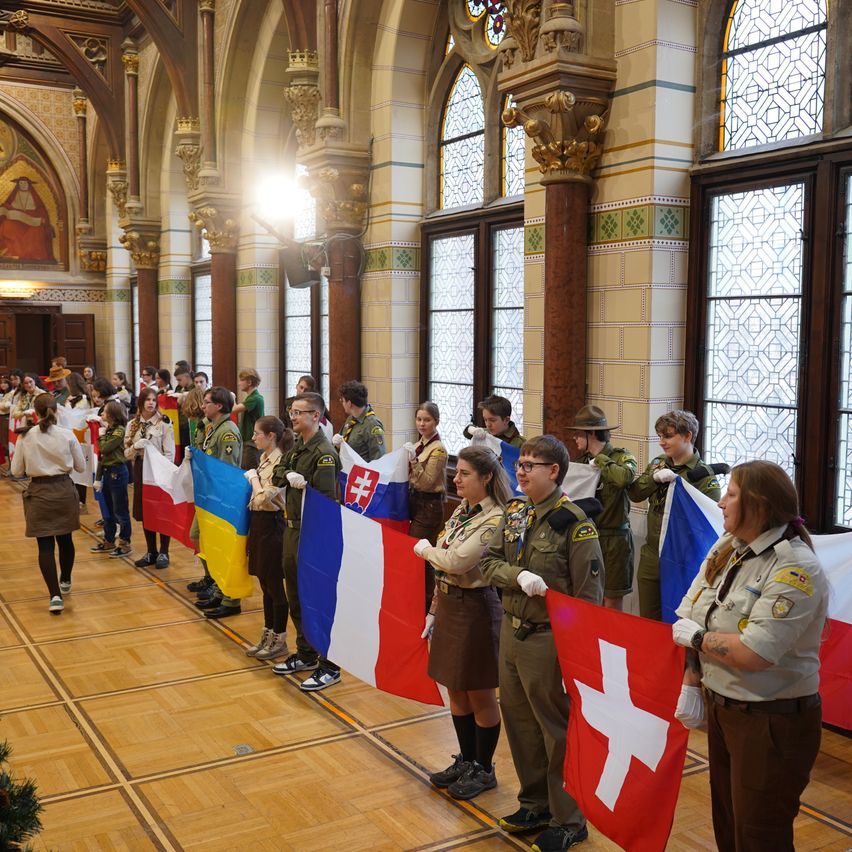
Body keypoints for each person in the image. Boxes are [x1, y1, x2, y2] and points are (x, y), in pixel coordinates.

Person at [671, 460, 827, 852]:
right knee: (729, 824)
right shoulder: (730, 546)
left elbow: (756, 652)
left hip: (771, 721)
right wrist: (692, 681)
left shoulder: (794, 568)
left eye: (732, 494)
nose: (721, 502)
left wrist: (700, 641)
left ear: (758, 504)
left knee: (760, 835)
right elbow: (691, 611)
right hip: (725, 708)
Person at [480, 435, 604, 852]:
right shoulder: (516, 512)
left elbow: (588, 599)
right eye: (520, 464)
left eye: (530, 465)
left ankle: (569, 818)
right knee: (518, 722)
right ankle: (534, 803)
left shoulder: (576, 524)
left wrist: (576, 652)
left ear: (554, 472)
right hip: (512, 635)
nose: (520, 470)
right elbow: (488, 561)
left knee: (557, 731)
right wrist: (515, 577)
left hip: (550, 640)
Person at [415, 446, 510, 800]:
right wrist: (434, 610)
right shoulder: (462, 513)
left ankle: (484, 768)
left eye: (465, 473)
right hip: (451, 605)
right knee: (454, 686)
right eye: (458, 472)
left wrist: (425, 550)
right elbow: (445, 565)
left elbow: (455, 560)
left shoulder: (495, 518)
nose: (456, 478)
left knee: (479, 691)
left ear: (486, 477)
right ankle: (466, 758)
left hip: (476, 609)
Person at [271, 391, 342, 690]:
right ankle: (306, 652)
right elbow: (276, 474)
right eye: (292, 411)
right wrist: (289, 474)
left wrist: (303, 484)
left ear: (316, 416)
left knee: (317, 598)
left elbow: (325, 504)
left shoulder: (323, 453)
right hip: (292, 528)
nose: (293, 416)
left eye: (299, 412)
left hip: (312, 532)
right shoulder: (299, 446)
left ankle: (330, 664)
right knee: (296, 595)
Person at [628, 409, 721, 620]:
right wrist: (653, 479)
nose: (662, 442)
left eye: (668, 436)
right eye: (660, 436)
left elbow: (708, 526)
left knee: (678, 621)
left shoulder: (704, 477)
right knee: (648, 621)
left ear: (687, 436)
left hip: (682, 558)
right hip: (652, 555)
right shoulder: (658, 463)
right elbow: (634, 494)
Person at [10, 393, 85, 613]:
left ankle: (55, 596)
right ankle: (66, 579)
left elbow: (16, 471)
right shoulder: (67, 434)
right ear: (56, 410)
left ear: (35, 411)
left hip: (39, 493)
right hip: (63, 490)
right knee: (65, 539)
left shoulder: (26, 437)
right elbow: (80, 467)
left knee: (45, 546)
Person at [568, 404, 637, 610]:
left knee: (611, 600)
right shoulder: (580, 461)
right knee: (586, 595)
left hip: (615, 540)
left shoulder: (621, 457)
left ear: (591, 434)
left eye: (579, 434)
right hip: (587, 536)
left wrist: (600, 460)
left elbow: (624, 478)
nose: (575, 438)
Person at [188, 386, 244, 618]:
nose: (203, 405)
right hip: (207, 495)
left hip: (221, 498)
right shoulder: (211, 427)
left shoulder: (228, 432)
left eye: (207, 402)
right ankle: (217, 585)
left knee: (222, 546)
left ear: (219, 406)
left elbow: (226, 470)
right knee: (200, 537)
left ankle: (229, 597)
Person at [243, 415, 294, 661]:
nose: (253, 438)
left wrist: (253, 479)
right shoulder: (264, 458)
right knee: (263, 584)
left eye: (257, 434)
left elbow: (264, 498)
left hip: (273, 525)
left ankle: (280, 639)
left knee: (274, 586)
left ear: (271, 436)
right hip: (259, 524)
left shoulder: (281, 462)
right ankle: (267, 632)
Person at [403, 401, 448, 610]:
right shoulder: (420, 443)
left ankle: (427, 604)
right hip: (416, 501)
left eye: (427, 420)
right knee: (415, 555)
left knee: (422, 554)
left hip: (429, 506)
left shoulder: (438, 449)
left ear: (436, 422)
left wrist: (413, 461)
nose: (422, 424)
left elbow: (427, 481)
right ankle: (416, 599)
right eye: (419, 419)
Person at [124, 387, 176, 568]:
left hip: (159, 470)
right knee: (146, 511)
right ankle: (151, 551)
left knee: (161, 511)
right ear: (141, 402)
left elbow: (170, 453)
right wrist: (136, 447)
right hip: (140, 469)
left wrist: (165, 472)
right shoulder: (132, 425)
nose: (151, 403)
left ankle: (164, 552)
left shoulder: (164, 424)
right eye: (147, 399)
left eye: (154, 400)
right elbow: (126, 454)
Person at [90, 400, 132, 557]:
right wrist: (99, 477)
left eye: (105, 411)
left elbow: (105, 448)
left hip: (117, 472)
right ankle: (109, 540)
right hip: (107, 472)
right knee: (108, 510)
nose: (102, 414)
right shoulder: (108, 430)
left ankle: (125, 543)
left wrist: (100, 436)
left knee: (120, 510)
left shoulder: (119, 431)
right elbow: (102, 456)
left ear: (113, 415)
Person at [332, 380, 385, 460]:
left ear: (349, 403)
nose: (342, 403)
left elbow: (378, 457)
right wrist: (338, 444)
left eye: (342, 401)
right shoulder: (351, 419)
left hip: (362, 471)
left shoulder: (372, 425)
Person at [232, 368, 265, 470]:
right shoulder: (251, 398)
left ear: (249, 382)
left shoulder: (255, 398)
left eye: (242, 380)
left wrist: (232, 397)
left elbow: (234, 409)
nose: (239, 383)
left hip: (252, 443)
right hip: (248, 442)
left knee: (250, 471)